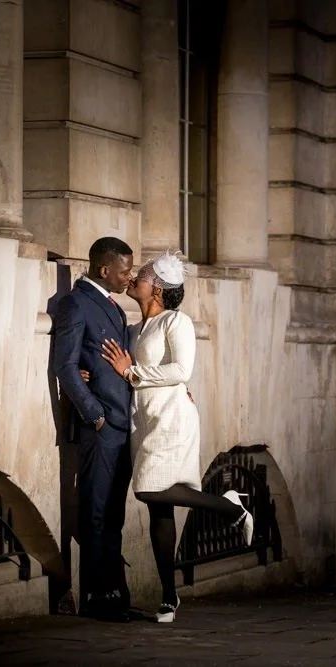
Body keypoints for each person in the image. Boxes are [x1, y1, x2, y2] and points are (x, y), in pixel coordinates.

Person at [100, 251, 253, 624]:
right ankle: (169, 598)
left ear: (159, 289)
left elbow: (181, 368)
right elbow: (119, 369)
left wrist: (132, 371)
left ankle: (232, 508)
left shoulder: (176, 321)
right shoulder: (133, 329)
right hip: (145, 420)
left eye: (144, 275)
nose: (135, 277)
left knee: (148, 490)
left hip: (172, 419)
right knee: (159, 509)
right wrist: (101, 375)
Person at [52, 237, 135, 622]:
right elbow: (65, 366)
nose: (128, 277)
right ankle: (96, 598)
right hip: (101, 426)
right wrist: (94, 415)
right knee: (96, 512)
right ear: (105, 269)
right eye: (124, 271)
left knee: (114, 514)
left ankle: (115, 594)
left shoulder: (113, 305)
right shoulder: (76, 302)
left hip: (122, 425)